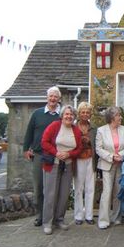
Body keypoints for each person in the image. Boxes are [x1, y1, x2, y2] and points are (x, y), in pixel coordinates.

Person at [23, 86, 61, 227]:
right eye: (50, 96)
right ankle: (40, 215)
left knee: (53, 188)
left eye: (55, 96)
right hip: (39, 155)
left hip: (56, 155)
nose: (52, 99)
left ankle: (54, 216)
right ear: (47, 97)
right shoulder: (37, 114)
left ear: (59, 99)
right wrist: (26, 149)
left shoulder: (61, 115)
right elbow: (29, 132)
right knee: (39, 186)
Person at [41, 105, 83, 235]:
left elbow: (79, 148)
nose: (69, 116)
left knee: (64, 194)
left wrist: (69, 154)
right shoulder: (54, 126)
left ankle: (59, 219)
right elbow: (44, 142)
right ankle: (47, 222)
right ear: (62, 115)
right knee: (50, 194)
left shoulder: (76, 131)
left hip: (68, 165)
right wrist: (56, 152)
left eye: (71, 115)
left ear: (74, 117)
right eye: (66, 114)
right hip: (53, 163)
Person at [95, 106, 124, 229]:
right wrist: (111, 156)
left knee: (118, 192)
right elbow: (98, 149)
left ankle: (116, 217)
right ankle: (104, 220)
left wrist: (120, 155)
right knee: (107, 192)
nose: (121, 117)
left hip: (120, 165)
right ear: (111, 117)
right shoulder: (101, 130)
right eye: (118, 115)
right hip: (107, 165)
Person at [73, 102, 97, 225]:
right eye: (83, 112)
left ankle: (89, 215)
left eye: (87, 112)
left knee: (90, 188)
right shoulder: (73, 127)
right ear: (79, 113)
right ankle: (78, 215)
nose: (85, 114)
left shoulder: (93, 128)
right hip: (78, 159)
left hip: (90, 160)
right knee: (78, 188)